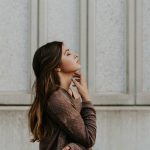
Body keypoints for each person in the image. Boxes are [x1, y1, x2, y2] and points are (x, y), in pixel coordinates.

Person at [28, 41, 97, 150]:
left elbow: (83, 139)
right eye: (68, 54)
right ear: (56, 66)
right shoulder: (57, 99)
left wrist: (75, 147)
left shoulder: (69, 94)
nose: (75, 55)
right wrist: (86, 99)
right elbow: (89, 138)